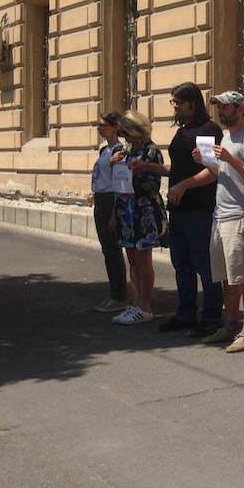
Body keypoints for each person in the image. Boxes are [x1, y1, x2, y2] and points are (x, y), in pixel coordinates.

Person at [144, 82, 224, 336]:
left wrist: (184, 186)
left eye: (178, 102)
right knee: (181, 263)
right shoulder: (182, 131)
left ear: (192, 102)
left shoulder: (207, 130)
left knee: (204, 264)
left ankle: (211, 317)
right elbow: (177, 168)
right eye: (173, 102)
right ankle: (186, 313)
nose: (175, 107)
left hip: (199, 209)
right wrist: (148, 168)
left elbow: (212, 172)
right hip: (179, 210)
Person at [191, 91, 244, 354]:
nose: (221, 112)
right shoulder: (224, 137)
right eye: (219, 108)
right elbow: (222, 174)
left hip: (240, 214)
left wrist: (230, 159)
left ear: (239, 108)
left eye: (225, 107)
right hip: (220, 214)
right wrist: (207, 163)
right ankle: (230, 323)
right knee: (227, 277)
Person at [111, 111, 168, 325]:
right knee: (132, 260)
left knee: (144, 261)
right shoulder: (126, 151)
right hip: (126, 210)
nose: (124, 137)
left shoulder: (151, 151)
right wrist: (115, 164)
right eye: (122, 132)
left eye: (127, 132)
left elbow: (153, 184)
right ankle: (134, 304)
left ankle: (145, 306)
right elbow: (117, 184)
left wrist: (136, 173)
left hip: (144, 210)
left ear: (137, 130)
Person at [91, 112, 129, 313]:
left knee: (113, 249)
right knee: (107, 249)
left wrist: (115, 212)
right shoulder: (104, 150)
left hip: (111, 201)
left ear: (115, 127)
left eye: (103, 125)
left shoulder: (119, 150)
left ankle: (120, 295)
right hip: (101, 200)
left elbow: (119, 182)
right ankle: (115, 293)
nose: (99, 128)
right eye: (98, 125)